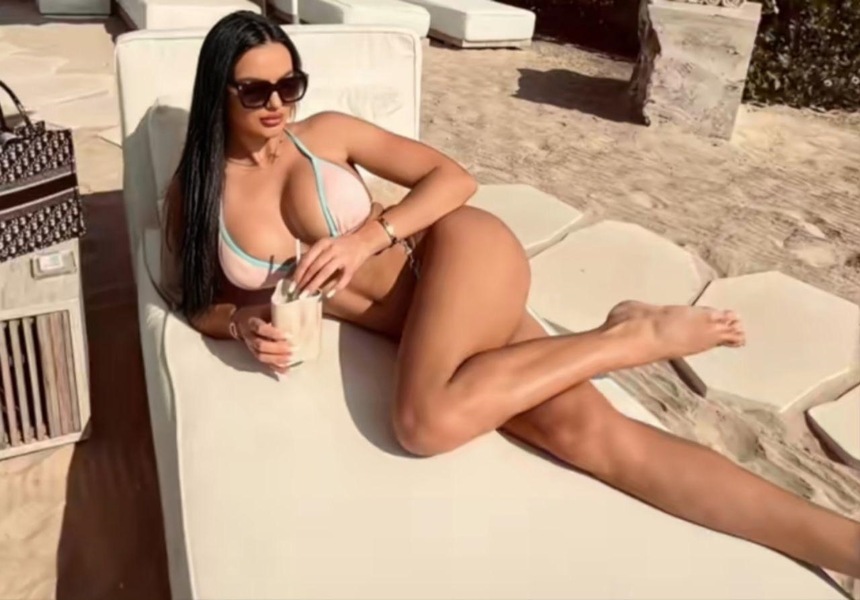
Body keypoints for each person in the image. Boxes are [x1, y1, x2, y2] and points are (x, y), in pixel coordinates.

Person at [159, 10, 860, 579]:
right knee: (597, 439)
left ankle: (626, 339)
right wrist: (244, 324)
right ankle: (848, 547)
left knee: (424, 422)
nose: (278, 104)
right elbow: (197, 302)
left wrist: (366, 237)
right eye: (255, 91)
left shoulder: (326, 136)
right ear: (218, 89)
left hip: (458, 258)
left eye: (291, 85)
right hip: (435, 331)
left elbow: (454, 180)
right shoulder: (196, 192)